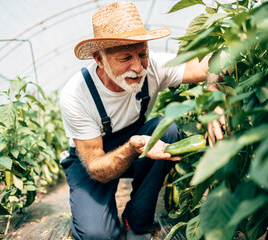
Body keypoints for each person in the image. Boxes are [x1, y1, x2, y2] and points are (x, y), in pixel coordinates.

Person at [59, 2, 224, 239]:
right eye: (125, 57)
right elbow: (97, 168)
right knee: (98, 235)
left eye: (142, 54)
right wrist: (131, 147)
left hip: (135, 145)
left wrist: (212, 94)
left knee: (165, 129)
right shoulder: (76, 94)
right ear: (99, 58)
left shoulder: (153, 67)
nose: (138, 67)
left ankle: (137, 222)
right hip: (92, 163)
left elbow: (215, 61)